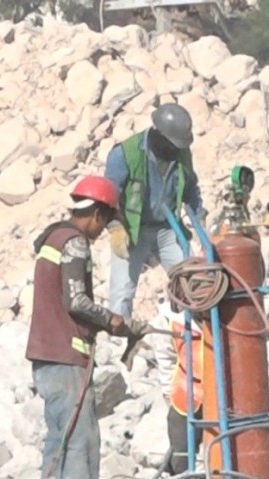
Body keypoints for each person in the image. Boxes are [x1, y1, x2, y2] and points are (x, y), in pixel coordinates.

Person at [25, 175, 148, 479]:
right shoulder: (75, 243)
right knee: (81, 440)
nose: (103, 229)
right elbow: (76, 301)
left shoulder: (53, 236)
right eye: (106, 221)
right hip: (66, 356)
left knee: (59, 441)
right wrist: (113, 320)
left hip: (47, 354)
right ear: (96, 214)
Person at [104, 102, 206, 318]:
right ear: (158, 134)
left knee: (192, 281)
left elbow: (190, 189)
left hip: (167, 229)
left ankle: (201, 331)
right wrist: (115, 227)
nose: (175, 150)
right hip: (132, 229)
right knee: (122, 291)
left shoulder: (181, 154)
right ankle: (119, 340)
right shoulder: (125, 154)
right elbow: (109, 195)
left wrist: (201, 224)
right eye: (172, 145)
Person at [150, 297, 205, 475]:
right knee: (181, 454)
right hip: (187, 396)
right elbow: (166, 359)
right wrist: (168, 393)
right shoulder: (170, 319)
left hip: (227, 399)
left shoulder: (229, 313)